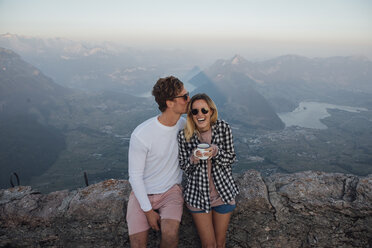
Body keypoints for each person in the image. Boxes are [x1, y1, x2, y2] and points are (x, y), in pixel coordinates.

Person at [126, 76, 190, 248]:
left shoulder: (184, 126)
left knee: (169, 235)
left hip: (171, 193)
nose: (188, 99)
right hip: (142, 194)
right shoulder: (142, 134)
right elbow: (135, 176)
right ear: (170, 103)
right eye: (184, 96)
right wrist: (148, 211)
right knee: (137, 245)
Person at [177, 93, 239, 248]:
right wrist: (193, 159)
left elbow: (231, 158)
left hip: (223, 193)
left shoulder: (223, 128)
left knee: (220, 243)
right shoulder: (184, 136)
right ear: (190, 115)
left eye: (204, 110)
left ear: (211, 111)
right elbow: (185, 167)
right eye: (195, 111)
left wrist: (216, 151)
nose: (200, 115)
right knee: (209, 245)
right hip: (197, 197)